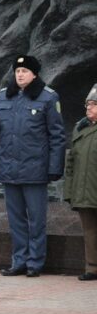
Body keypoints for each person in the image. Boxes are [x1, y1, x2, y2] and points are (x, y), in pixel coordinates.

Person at [0, 55, 66, 277]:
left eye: (25, 71)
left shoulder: (48, 98)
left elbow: (57, 136)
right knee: (16, 221)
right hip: (9, 169)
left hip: (35, 170)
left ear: (35, 74)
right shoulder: (4, 97)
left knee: (37, 220)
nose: (20, 74)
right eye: (17, 71)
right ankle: (18, 261)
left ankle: (35, 263)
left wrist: (54, 167)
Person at [64, 83, 97, 281]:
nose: (88, 108)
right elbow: (71, 164)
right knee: (90, 232)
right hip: (84, 192)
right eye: (87, 105)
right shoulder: (80, 128)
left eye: (93, 104)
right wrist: (69, 192)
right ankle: (92, 268)